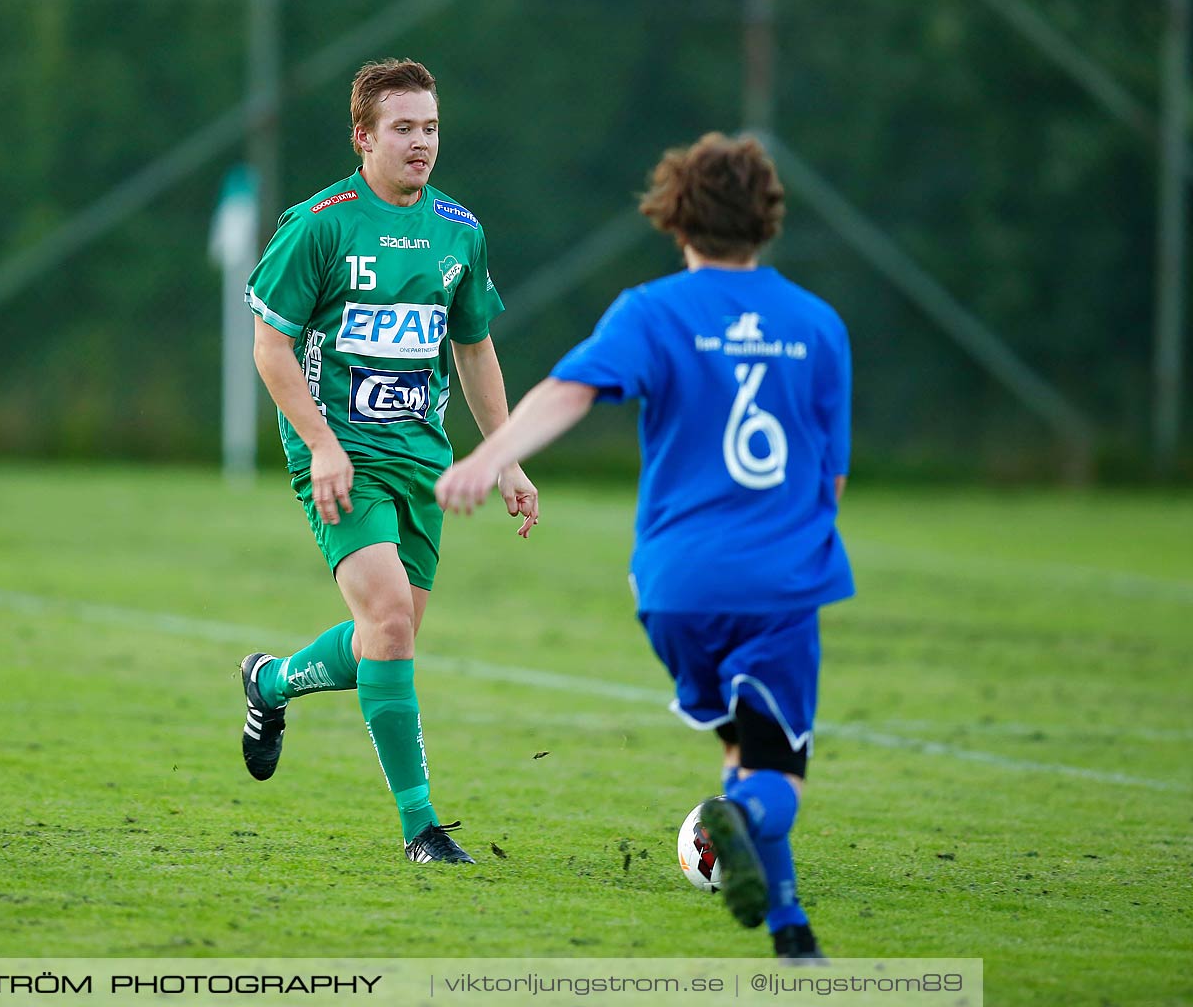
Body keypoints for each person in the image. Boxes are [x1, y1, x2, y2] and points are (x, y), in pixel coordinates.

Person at [436, 132, 852, 958]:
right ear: (767, 219)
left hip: (674, 587)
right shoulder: (818, 325)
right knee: (776, 773)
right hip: (777, 582)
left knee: (744, 745)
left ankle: (790, 931)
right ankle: (739, 826)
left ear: (676, 217)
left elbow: (570, 390)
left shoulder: (652, 312)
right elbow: (830, 483)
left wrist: (490, 457)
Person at [239, 58, 539, 864]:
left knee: (387, 638)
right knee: (392, 623)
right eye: (404, 129)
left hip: (423, 462)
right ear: (363, 136)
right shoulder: (319, 224)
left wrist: (505, 457)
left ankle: (268, 684)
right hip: (341, 460)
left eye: (431, 128)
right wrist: (323, 445)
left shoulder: (460, 231)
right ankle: (422, 829)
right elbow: (270, 346)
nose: (421, 144)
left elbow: (473, 349)